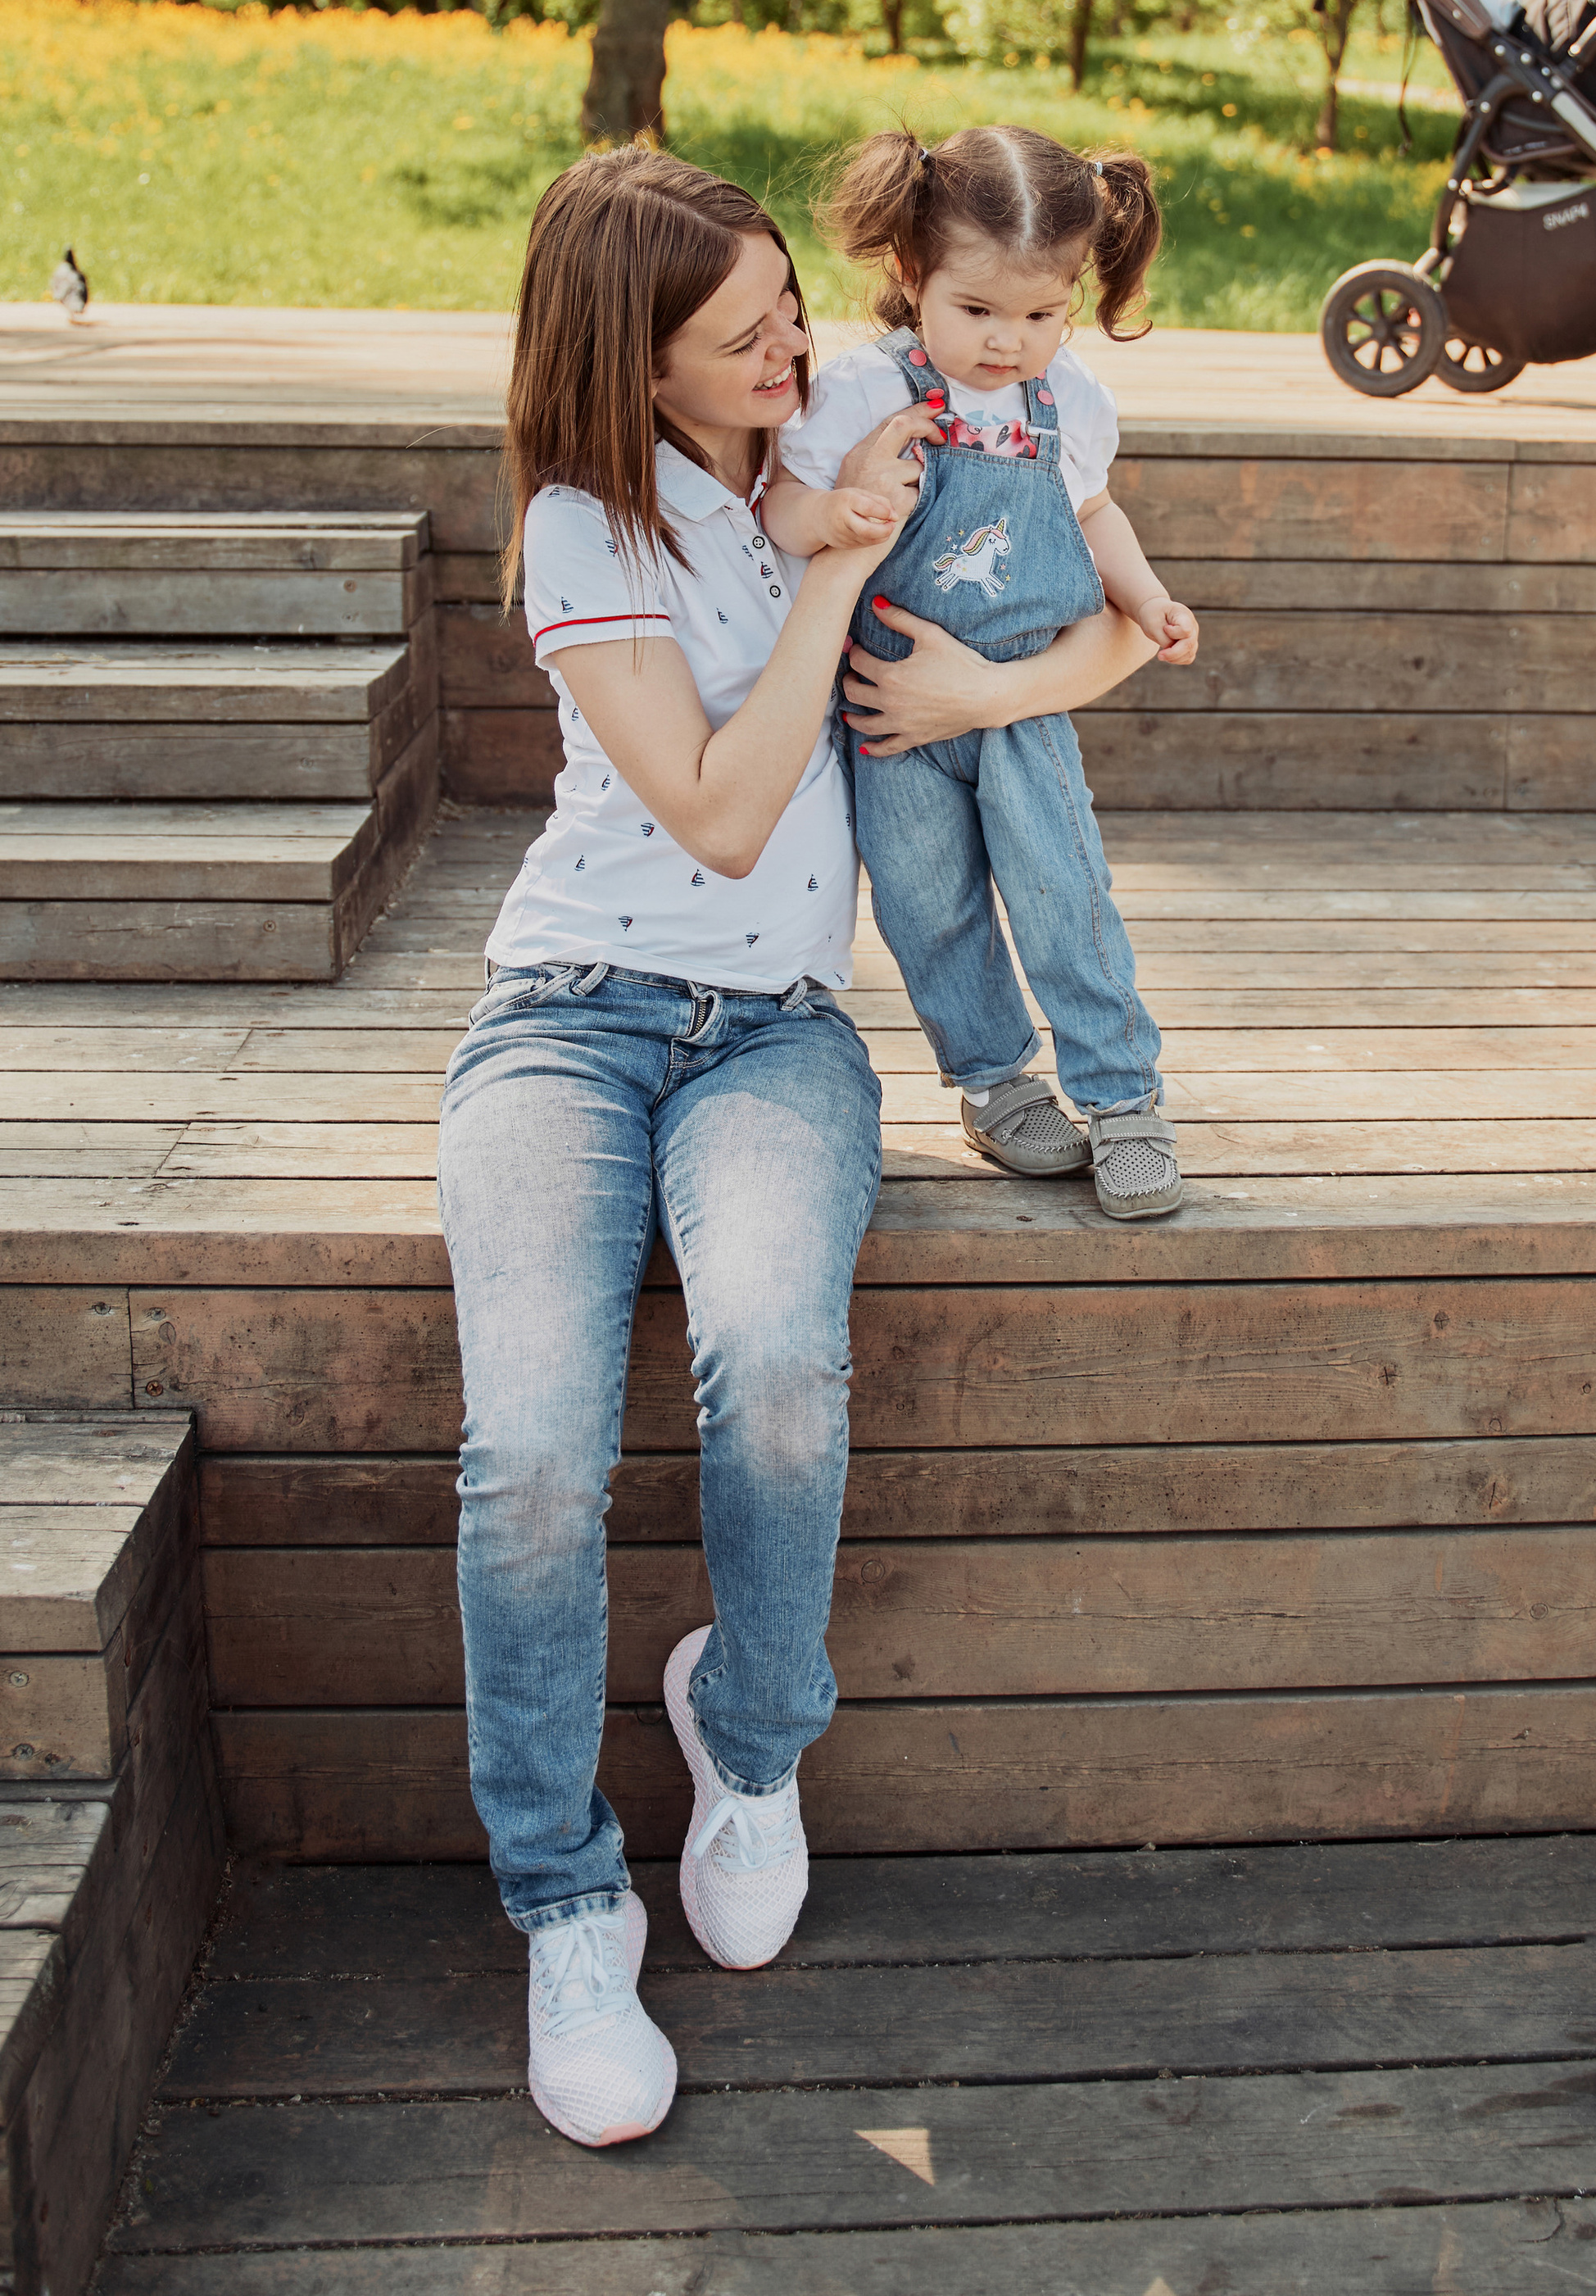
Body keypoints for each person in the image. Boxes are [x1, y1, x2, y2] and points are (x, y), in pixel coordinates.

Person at [437, 144, 1150, 2151]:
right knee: (535, 1459)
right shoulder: (592, 525)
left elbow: (1097, 633)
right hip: (567, 1025)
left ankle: (747, 1747)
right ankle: (568, 1907)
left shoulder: (853, 438)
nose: (795, 333)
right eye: (743, 322)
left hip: (780, 1042)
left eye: (786, 296)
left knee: (771, 1371)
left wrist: (990, 679)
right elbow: (725, 813)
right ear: (632, 356)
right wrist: (839, 559)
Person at [760, 124, 1198, 1220]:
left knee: (1065, 893)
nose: (1011, 343)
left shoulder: (1071, 408)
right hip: (889, 713)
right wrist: (829, 514)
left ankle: (1122, 1092)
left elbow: (1093, 513)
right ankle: (993, 1079)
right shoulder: (863, 392)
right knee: (928, 904)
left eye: (1043, 315)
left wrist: (1143, 597)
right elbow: (782, 503)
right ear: (913, 278)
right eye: (980, 312)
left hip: (1020, 703)